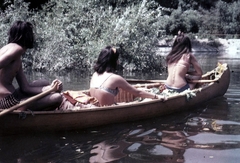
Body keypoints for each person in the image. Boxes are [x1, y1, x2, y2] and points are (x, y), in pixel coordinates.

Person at [0, 21, 63, 111]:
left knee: (44, 82)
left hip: (11, 97)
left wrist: (51, 88)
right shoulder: (17, 49)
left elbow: (25, 88)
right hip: (7, 102)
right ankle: (27, 114)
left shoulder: (8, 49)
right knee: (57, 97)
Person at [90, 46, 164, 106]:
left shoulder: (94, 75)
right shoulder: (114, 78)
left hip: (96, 107)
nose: (118, 61)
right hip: (109, 111)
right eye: (117, 59)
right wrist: (156, 96)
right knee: (145, 100)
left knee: (126, 103)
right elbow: (137, 92)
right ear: (114, 61)